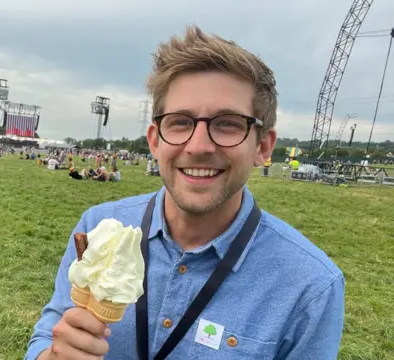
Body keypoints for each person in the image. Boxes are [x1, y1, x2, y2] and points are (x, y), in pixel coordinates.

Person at [25, 25, 344, 360]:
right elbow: (47, 336)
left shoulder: (311, 287)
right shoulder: (98, 227)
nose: (199, 146)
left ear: (263, 146)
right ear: (154, 140)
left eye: (228, 123)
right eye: (180, 122)